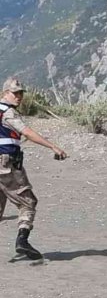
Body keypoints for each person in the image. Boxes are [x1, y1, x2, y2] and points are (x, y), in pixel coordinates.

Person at [0, 78, 67, 260]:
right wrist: (52, 146)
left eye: (21, 93)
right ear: (5, 92)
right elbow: (27, 132)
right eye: (15, 93)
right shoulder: (8, 113)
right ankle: (22, 241)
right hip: (7, 164)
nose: (19, 97)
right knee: (28, 203)